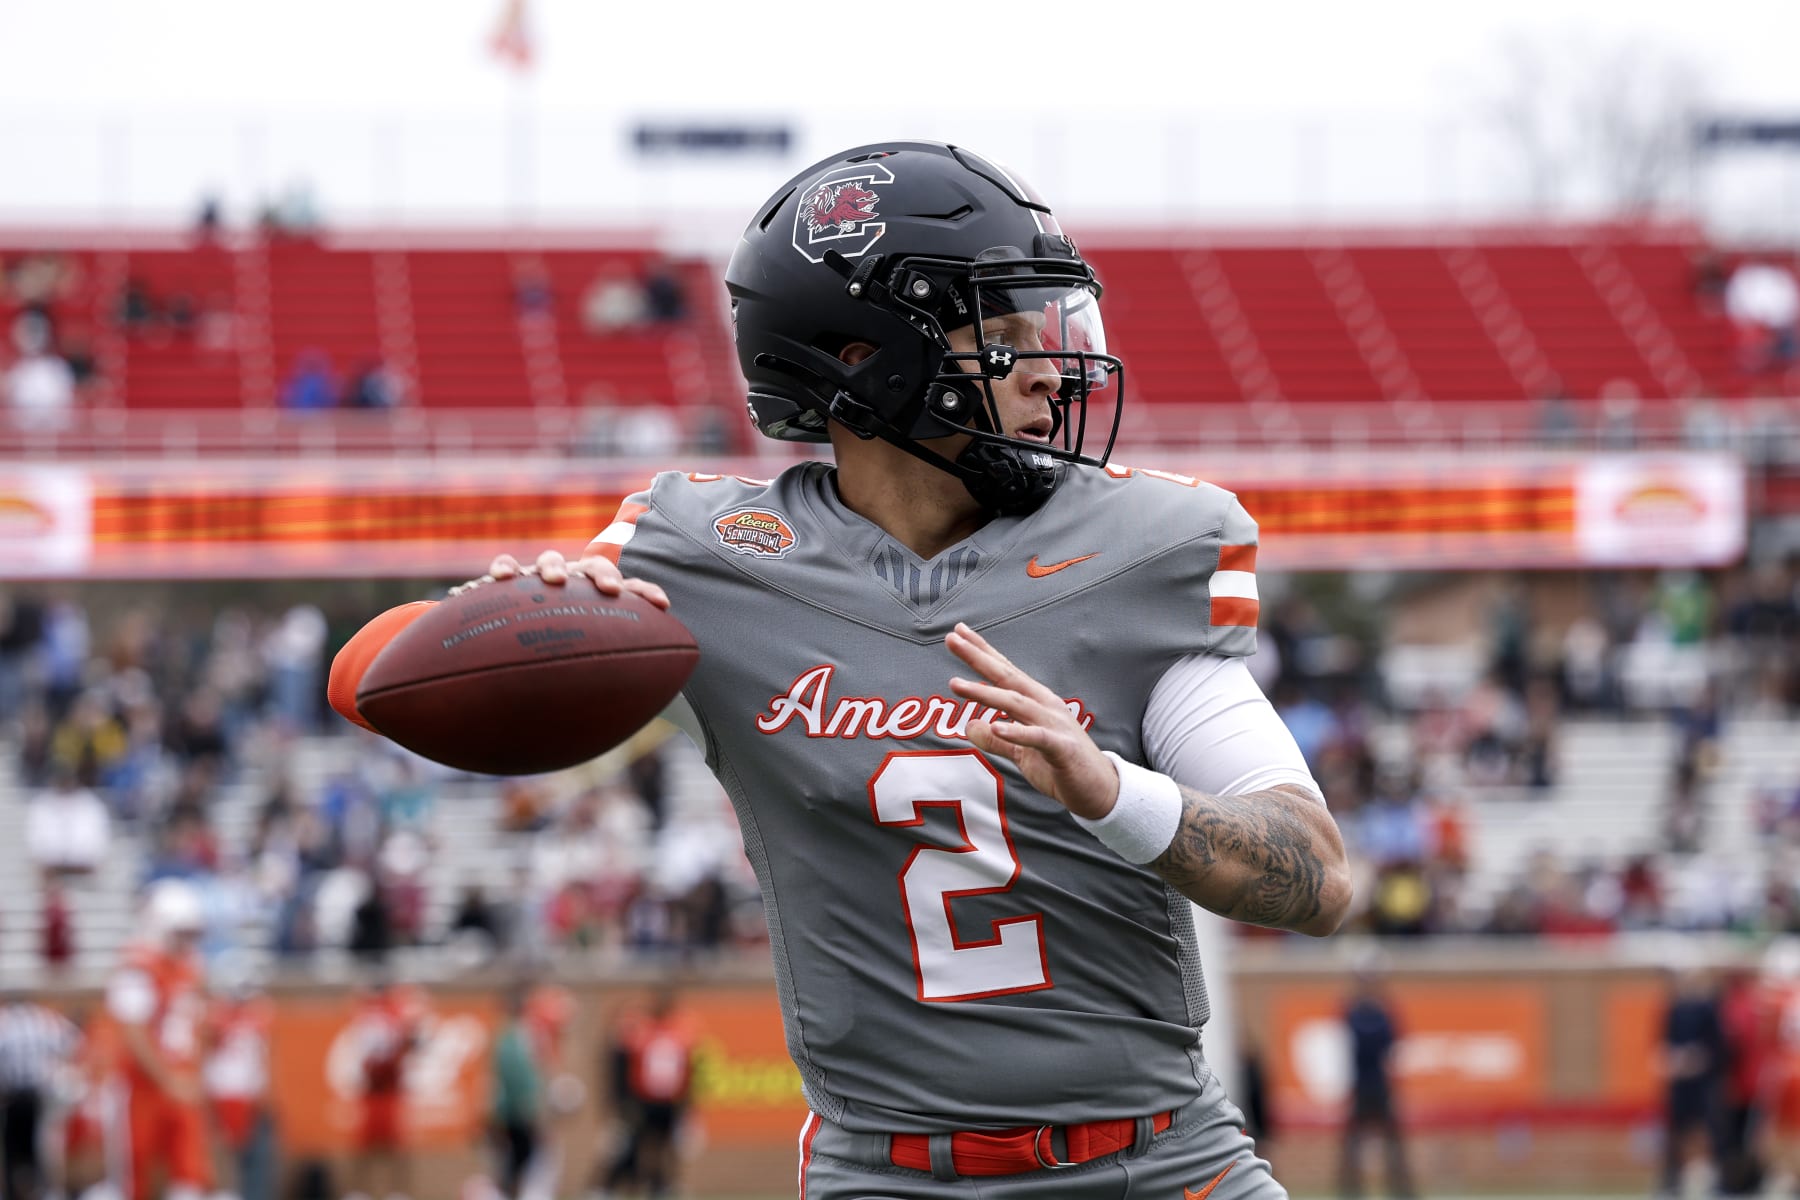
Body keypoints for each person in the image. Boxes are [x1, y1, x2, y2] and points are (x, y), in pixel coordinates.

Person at [331, 141, 1352, 1198]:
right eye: (1004, 338)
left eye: (1048, 329)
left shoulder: (1140, 549)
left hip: (1164, 1162)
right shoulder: (704, 561)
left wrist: (1111, 792)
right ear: (870, 360)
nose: (1052, 371)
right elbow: (369, 675)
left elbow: (1317, 877)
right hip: (887, 1176)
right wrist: (525, 608)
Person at [105, 879, 213, 1200]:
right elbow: (135, 1033)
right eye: (182, 933)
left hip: (180, 1081)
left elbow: (198, 1028)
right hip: (143, 1085)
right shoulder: (139, 968)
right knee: (137, 1173)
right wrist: (169, 1080)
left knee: (189, 1173)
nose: (188, 942)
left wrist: (194, 1076)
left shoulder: (191, 968)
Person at [592, 988, 695, 1200]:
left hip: (668, 1102)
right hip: (642, 1102)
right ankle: (606, 1187)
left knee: (663, 1147)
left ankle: (659, 1185)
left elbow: (685, 1073)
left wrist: (687, 1107)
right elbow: (624, 1071)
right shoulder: (640, 1035)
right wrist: (623, 1103)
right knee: (630, 1145)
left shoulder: (678, 1036)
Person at [1337, 967, 1414, 1199]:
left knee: (1393, 1145)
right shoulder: (1357, 1012)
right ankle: (1350, 1192)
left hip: (1379, 1086)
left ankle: (1402, 1192)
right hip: (1361, 1086)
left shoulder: (1377, 1013)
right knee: (1353, 1145)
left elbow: (1388, 1042)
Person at [345, 975, 421, 1200]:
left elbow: (408, 1045)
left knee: (396, 1146)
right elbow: (364, 1055)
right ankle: (360, 1191)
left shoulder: (396, 1013)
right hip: (373, 1090)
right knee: (365, 1146)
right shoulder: (367, 1015)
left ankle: (398, 1192)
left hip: (390, 1090)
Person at [0, 989, 81, 1200]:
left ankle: (16, 1190)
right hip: (43, 1095)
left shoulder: (4, 1021)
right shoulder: (46, 1019)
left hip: (15, 1096)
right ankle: (46, 1190)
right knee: (43, 1146)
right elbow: (75, 1041)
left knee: (14, 1151)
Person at [205, 972, 277, 1200]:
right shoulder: (217, 1015)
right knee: (221, 1148)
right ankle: (225, 1193)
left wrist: (266, 1087)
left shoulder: (258, 1015)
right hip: (222, 1089)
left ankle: (244, 1194)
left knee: (252, 1152)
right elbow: (205, 1049)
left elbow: (265, 1055)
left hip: (249, 1092)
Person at [1658, 965, 1726, 1198]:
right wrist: (1673, 1060)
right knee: (1678, 1127)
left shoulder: (1708, 1010)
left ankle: (1710, 1177)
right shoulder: (1674, 1009)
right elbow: (1665, 1043)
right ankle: (1675, 1178)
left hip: (1702, 1080)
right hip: (1680, 1080)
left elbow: (1717, 1047)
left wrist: (1698, 1059)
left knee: (1705, 1127)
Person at [490, 986, 544, 1200]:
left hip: (517, 1107)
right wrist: (523, 1104)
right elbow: (513, 1075)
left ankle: (514, 1190)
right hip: (513, 1109)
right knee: (517, 1154)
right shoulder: (511, 1039)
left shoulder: (521, 1035)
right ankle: (507, 1192)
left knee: (523, 1153)